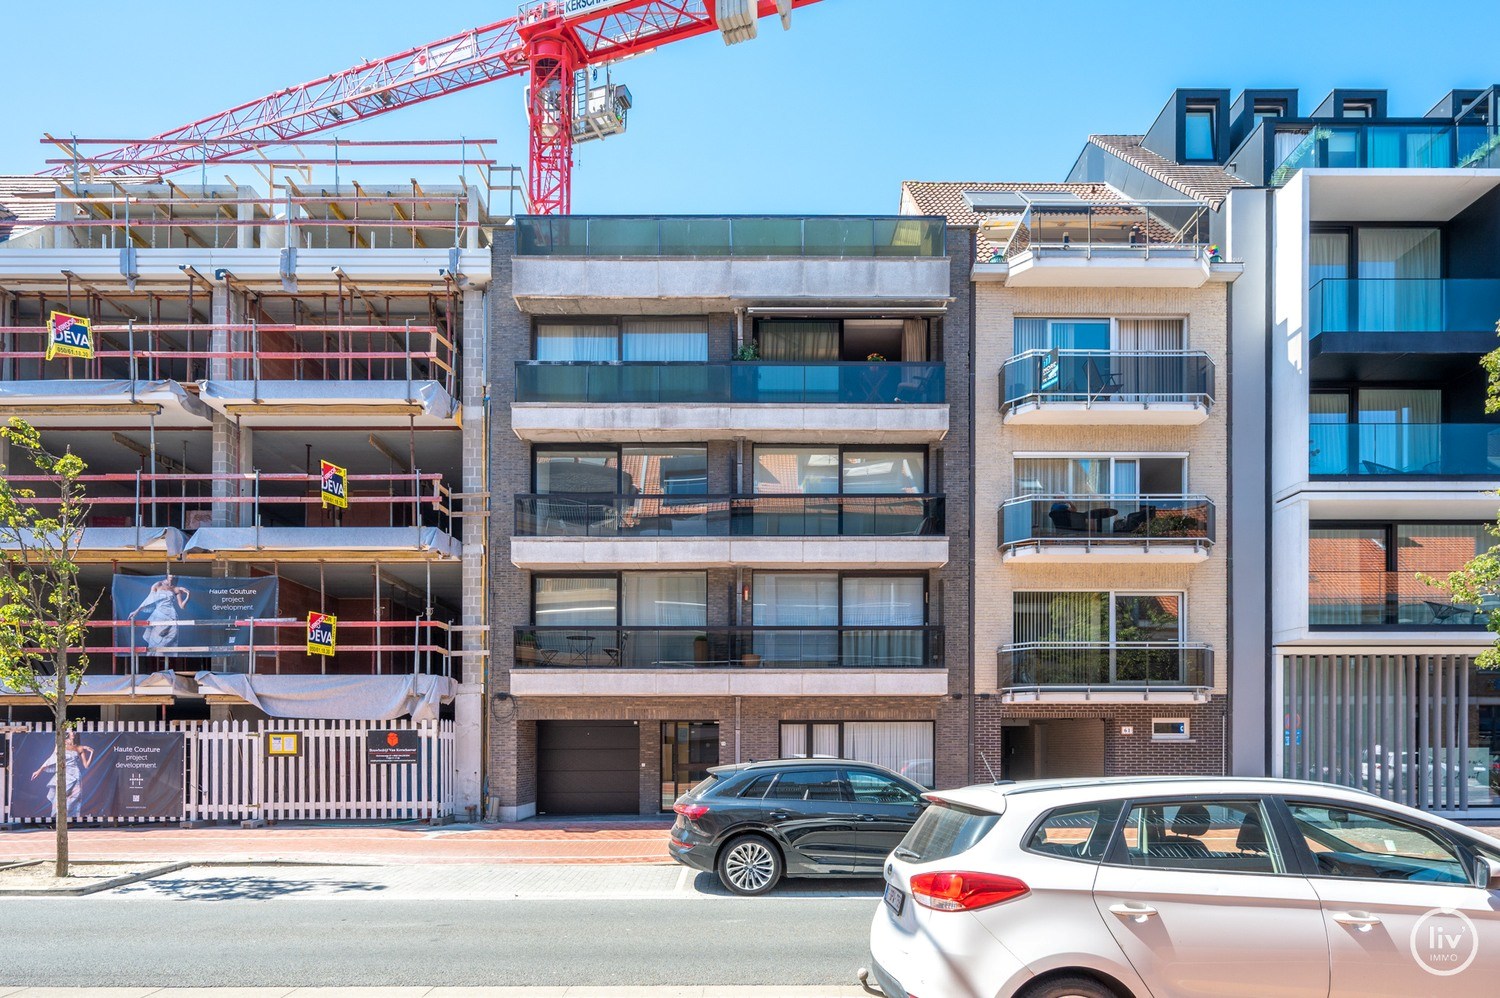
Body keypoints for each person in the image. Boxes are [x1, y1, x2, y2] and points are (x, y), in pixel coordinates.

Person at [30, 730, 95, 819]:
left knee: (74, 798)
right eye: (72, 731)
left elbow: (86, 766)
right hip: (64, 774)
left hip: (76, 775)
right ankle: (58, 819)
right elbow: (52, 758)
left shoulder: (79, 748)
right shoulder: (61, 744)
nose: (74, 733)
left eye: (75, 732)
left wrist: (92, 753)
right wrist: (39, 770)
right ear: (68, 733)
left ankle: (70, 819)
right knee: (59, 796)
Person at [130, 575, 190, 653]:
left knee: (165, 643)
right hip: (159, 615)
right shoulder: (158, 584)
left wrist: (188, 595)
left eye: (174, 574)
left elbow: (182, 606)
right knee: (154, 641)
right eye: (170, 574)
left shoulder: (176, 589)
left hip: (171, 616)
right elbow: (148, 599)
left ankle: (165, 659)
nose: (172, 576)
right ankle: (154, 658)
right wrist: (136, 611)